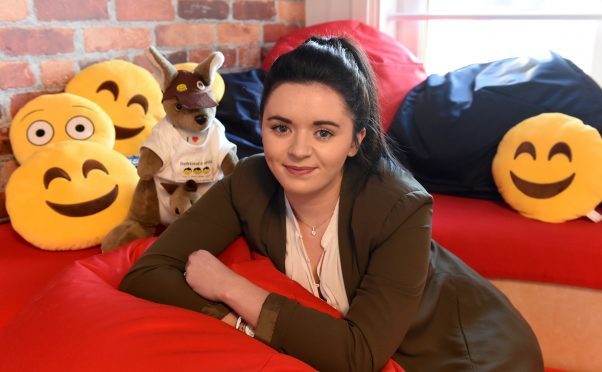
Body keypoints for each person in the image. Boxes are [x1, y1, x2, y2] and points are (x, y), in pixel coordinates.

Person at [120, 36, 544, 371]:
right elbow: (148, 273)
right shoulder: (249, 179)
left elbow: (358, 356)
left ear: (356, 140)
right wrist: (237, 322)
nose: (297, 151)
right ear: (261, 126)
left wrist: (231, 288)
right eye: (281, 127)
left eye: (323, 132)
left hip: (461, 354)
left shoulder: (402, 206)